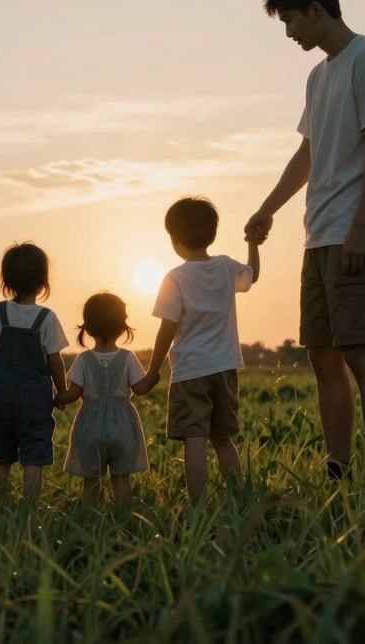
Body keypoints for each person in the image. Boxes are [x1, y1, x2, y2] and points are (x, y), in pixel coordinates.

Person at [244, 0, 365, 487]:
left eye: (291, 20)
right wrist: (269, 207)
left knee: (362, 352)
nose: (289, 33)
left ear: (317, 10)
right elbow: (308, 153)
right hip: (321, 233)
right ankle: (338, 473)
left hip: (357, 234)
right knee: (322, 356)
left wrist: (362, 227)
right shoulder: (318, 76)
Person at [143, 197, 260, 504]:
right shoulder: (225, 266)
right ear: (212, 233)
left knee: (194, 440)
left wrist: (153, 370)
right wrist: (253, 244)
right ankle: (240, 498)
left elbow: (166, 329)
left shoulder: (175, 278)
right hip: (225, 368)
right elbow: (253, 275)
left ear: (175, 239)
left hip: (191, 371)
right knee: (223, 438)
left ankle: (198, 505)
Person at [0, 242, 68, 500]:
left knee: (0, 455)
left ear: (7, 282)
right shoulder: (46, 318)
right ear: (43, 283)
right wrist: (62, 391)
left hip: (0, 396)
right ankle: (29, 509)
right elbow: (55, 360)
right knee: (34, 454)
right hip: (35, 397)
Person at [56, 292, 151, 507]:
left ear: (87, 328)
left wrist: (57, 398)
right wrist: (152, 376)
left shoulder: (83, 359)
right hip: (123, 426)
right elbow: (140, 388)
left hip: (90, 425)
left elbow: (73, 393)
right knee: (121, 478)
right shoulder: (128, 358)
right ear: (122, 326)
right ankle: (123, 517)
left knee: (90, 480)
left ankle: (89, 517)